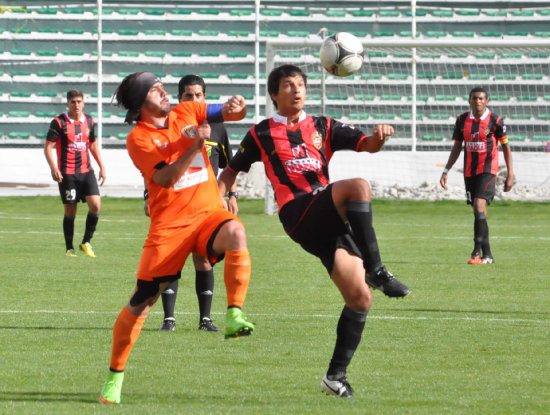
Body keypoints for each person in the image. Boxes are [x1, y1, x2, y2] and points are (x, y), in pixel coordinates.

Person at [218, 64, 410, 398]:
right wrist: (224, 198)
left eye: (301, 85)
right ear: (274, 94)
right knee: (358, 186)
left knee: (360, 298)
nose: (296, 90)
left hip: (327, 218)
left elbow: (366, 144)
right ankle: (377, 270)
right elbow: (230, 171)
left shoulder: (324, 126)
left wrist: (378, 138)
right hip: (298, 212)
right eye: (288, 86)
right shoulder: (261, 132)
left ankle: (335, 377)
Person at [100, 72, 254, 405]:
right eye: (154, 89)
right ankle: (115, 376)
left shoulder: (186, 110)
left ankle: (233, 315)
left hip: (207, 215)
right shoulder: (138, 139)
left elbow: (226, 113)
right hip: (169, 227)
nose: (163, 91)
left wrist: (236, 107)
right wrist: (196, 146)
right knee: (142, 302)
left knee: (236, 231)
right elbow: (167, 178)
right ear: (142, 102)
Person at [150, 74, 239, 333]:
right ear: (179, 99)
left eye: (198, 95)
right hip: (173, 202)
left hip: (205, 205)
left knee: (203, 260)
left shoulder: (218, 127)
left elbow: (229, 167)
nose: (193, 99)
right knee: (170, 260)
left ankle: (205, 319)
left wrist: (232, 195)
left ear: (205, 98)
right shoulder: (168, 125)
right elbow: (155, 166)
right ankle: (168, 319)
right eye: (188, 95)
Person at [440, 87, 514, 264]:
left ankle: (475, 252)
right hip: (469, 172)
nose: (478, 101)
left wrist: (510, 173)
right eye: (474, 98)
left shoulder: (496, 121)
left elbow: (506, 147)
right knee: (479, 211)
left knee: (479, 206)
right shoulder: (462, 120)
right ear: (469, 101)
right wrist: (446, 170)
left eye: (481, 98)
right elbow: (457, 147)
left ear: (487, 101)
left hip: (488, 171)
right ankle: (487, 255)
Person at [44, 89, 106, 258]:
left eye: (79, 101)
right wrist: (53, 168)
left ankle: (86, 242)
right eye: (73, 102)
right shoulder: (58, 122)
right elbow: (48, 147)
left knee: (96, 205)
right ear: (67, 103)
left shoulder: (90, 121)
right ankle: (69, 249)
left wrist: (102, 166)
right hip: (67, 174)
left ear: (83, 103)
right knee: (71, 211)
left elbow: (92, 145)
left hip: (87, 171)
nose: (76, 105)